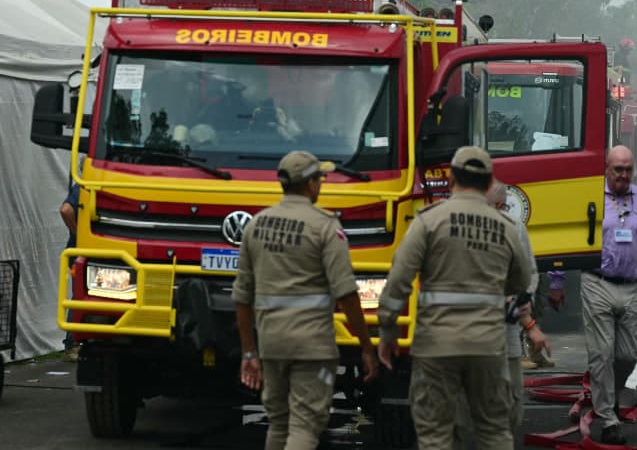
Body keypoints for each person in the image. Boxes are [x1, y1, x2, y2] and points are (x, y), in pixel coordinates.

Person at [378, 147, 531, 450]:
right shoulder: (506, 228)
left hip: (437, 345)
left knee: (436, 434)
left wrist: (388, 330)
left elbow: (398, 281)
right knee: (494, 432)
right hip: (488, 345)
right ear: (488, 180)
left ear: (450, 177)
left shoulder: (429, 221)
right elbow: (521, 282)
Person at [232, 151, 377, 450]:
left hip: (271, 344)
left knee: (279, 423)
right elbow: (347, 295)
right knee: (305, 426)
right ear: (310, 185)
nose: (321, 184)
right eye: (319, 179)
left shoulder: (257, 225)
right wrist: (365, 346)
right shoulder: (324, 226)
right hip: (312, 346)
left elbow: (242, 296)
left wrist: (249, 353)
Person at [546, 145, 637, 446]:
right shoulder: (590, 197)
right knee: (601, 353)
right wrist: (557, 280)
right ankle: (609, 419)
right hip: (596, 282)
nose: (623, 175)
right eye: (618, 169)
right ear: (606, 168)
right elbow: (567, 239)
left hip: (631, 287)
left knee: (627, 355)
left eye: (628, 169)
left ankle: (608, 397)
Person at [454, 179, 550, 450]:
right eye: (498, 206)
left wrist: (524, 308)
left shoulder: (514, 228)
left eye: (504, 206)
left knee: (510, 405)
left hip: (505, 331)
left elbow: (530, 272)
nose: (502, 211)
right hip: (467, 334)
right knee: (462, 408)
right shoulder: (457, 227)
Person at [60, 182, 80, 362]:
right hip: (82, 252)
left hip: (78, 252)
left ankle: (72, 343)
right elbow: (65, 210)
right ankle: (71, 344)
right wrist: (79, 235)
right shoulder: (84, 186)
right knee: (79, 296)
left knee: (79, 296)